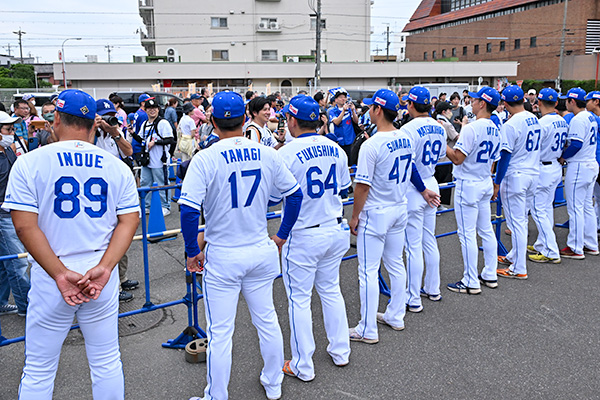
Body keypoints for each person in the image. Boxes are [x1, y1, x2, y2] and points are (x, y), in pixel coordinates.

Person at [3, 89, 139, 399]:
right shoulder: (114, 164)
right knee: (106, 362)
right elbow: (129, 220)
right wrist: (105, 268)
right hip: (99, 269)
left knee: (39, 369)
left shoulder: (31, 162)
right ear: (94, 125)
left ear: (55, 120)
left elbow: (24, 225)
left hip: (52, 269)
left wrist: (60, 274)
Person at [180, 91, 303, 400]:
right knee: (267, 320)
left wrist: (193, 252)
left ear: (211, 121)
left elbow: (188, 210)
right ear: (246, 118)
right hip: (260, 247)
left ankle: (216, 395)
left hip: (224, 253)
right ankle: (273, 383)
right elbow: (294, 195)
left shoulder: (205, 157)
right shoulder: (266, 152)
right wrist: (282, 235)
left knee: (221, 332)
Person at [348, 89, 439, 343]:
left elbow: (362, 186)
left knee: (368, 270)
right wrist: (422, 191)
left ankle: (367, 329)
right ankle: (396, 315)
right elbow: (410, 168)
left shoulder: (372, 144)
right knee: (396, 263)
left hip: (377, 211)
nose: (368, 110)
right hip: (399, 207)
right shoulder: (405, 137)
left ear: (378, 110)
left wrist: (354, 216)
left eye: (370, 107)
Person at [275, 95, 351, 381]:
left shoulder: (287, 153)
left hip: (304, 233)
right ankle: (340, 351)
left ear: (293, 120)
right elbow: (343, 188)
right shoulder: (335, 148)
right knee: (331, 290)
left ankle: (302, 364)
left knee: (299, 300)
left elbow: (273, 197)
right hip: (334, 226)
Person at [445, 87, 501, 294]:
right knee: (486, 230)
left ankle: (470, 280)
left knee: (467, 233)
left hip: (468, 182)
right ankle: (490, 272)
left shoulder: (472, 128)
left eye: (475, 100)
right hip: (485, 179)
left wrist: (444, 144)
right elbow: (495, 160)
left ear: (483, 103)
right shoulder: (496, 127)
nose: (472, 102)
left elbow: (458, 159)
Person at [400, 86, 445, 311]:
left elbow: (408, 164)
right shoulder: (439, 127)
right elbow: (441, 155)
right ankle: (433, 288)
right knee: (429, 239)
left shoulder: (408, 128)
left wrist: (420, 188)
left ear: (411, 104)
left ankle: (413, 298)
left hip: (415, 187)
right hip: (432, 180)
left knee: (413, 245)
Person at [492, 85, 541, 279]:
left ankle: (519, 267)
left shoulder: (511, 124)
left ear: (504, 102)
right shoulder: (533, 118)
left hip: (517, 174)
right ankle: (514, 255)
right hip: (532, 173)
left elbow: (505, 155)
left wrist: (497, 181)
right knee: (521, 219)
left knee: (517, 222)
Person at [94, 99, 138, 302]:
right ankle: (114, 287)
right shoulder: (90, 134)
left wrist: (115, 132)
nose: (108, 120)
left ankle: (122, 278)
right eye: (104, 116)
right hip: (97, 195)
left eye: (111, 115)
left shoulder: (116, 133)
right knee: (105, 242)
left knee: (122, 238)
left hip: (116, 193)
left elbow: (129, 151)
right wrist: (94, 127)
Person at [527, 88, 567, 263]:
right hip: (555, 165)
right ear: (556, 102)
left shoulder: (541, 123)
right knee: (546, 207)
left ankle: (551, 250)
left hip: (543, 167)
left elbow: (534, 148)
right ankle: (542, 243)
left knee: (538, 209)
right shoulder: (562, 120)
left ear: (539, 102)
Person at [558, 88, 599, 259]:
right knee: (587, 207)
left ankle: (576, 247)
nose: (566, 102)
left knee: (575, 208)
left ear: (572, 101)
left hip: (580, 166)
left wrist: (562, 157)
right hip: (591, 164)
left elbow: (576, 144)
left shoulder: (578, 118)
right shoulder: (591, 116)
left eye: (567, 100)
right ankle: (590, 244)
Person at [0, 111, 30, 317]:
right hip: (3, 215)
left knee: (6, 262)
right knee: (17, 261)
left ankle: (2, 302)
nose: (12, 133)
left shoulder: (7, 151)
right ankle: (26, 306)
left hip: (11, 211)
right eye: (8, 129)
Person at [139, 98, 175, 216]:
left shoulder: (163, 123)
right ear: (145, 110)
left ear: (158, 109)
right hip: (147, 160)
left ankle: (165, 206)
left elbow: (170, 139)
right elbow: (141, 139)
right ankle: (147, 206)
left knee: (162, 183)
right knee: (145, 183)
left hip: (160, 160)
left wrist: (155, 142)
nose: (152, 110)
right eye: (149, 108)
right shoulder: (145, 124)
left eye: (154, 108)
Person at [433, 100, 460, 209]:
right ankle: (439, 204)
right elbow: (458, 137)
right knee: (444, 184)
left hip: (434, 158)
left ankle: (435, 204)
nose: (451, 112)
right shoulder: (447, 124)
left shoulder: (434, 121)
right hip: (445, 158)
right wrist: (464, 125)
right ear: (444, 111)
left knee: (436, 182)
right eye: (449, 110)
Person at [584, 91, 600, 230]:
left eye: (588, 101)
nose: (586, 104)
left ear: (596, 102)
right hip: (595, 162)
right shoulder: (592, 118)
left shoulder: (594, 119)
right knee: (597, 199)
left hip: (596, 161)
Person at [328, 88, 359, 159]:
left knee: (351, 162)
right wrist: (343, 111)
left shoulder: (350, 109)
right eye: (341, 97)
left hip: (350, 140)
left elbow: (356, 121)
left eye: (344, 97)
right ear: (336, 100)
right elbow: (336, 122)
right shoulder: (333, 111)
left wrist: (353, 111)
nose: (343, 99)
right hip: (339, 141)